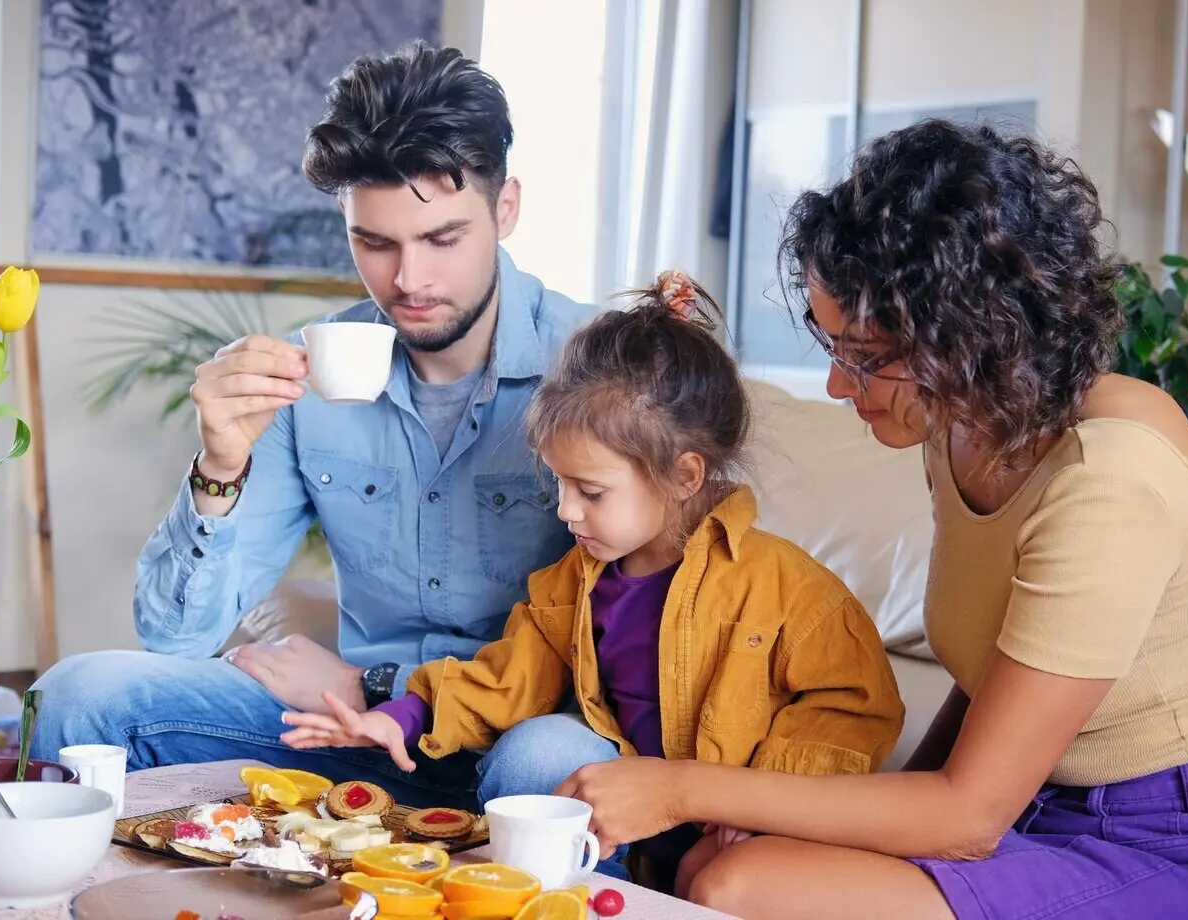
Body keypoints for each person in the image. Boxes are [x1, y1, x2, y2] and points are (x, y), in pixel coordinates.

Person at [551, 120, 1188, 919]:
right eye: (832, 346)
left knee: (739, 885)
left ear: (970, 338)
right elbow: (996, 673)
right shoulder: (958, 427)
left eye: (866, 357)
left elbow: (967, 816)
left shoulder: (1108, 479)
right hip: (1038, 805)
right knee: (730, 863)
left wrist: (681, 788)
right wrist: (851, 812)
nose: (839, 389)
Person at [28, 41, 600, 812]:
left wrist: (377, 684)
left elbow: (644, 641)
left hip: (520, 724)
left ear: (506, 210)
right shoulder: (309, 375)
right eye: (374, 242)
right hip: (339, 729)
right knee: (79, 694)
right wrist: (221, 464)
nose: (409, 280)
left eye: (442, 239)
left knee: (551, 759)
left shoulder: (599, 364)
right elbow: (176, 638)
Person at [276, 270, 904, 889]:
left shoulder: (787, 587)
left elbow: (853, 705)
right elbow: (506, 679)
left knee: (714, 870)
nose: (565, 510)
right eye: (559, 484)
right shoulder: (570, 583)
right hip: (617, 818)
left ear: (685, 476)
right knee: (541, 749)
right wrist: (403, 716)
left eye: (591, 491)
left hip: (727, 823)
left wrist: (760, 803)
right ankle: (566, 898)